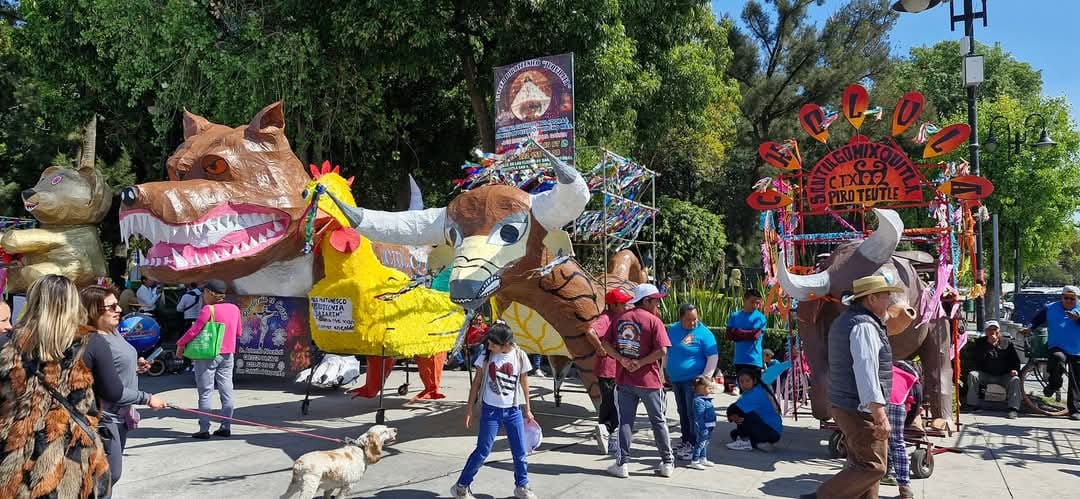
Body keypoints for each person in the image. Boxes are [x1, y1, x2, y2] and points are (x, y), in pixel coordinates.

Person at [0, 275, 111, 497]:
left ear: (33, 302)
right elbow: (113, 392)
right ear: (72, 304)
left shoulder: (7, 344)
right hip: (73, 455)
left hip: (16, 452)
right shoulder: (92, 343)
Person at [801, 275, 899, 499]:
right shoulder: (864, 326)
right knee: (873, 467)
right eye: (886, 296)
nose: (890, 301)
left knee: (863, 466)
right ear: (872, 299)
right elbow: (866, 372)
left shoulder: (846, 321)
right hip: (858, 409)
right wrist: (878, 412)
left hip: (846, 404)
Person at [80, 285, 167, 485]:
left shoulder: (112, 331)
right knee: (108, 475)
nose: (119, 309)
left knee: (107, 475)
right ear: (94, 310)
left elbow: (111, 370)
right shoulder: (95, 341)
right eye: (111, 307)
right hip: (105, 416)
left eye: (117, 305)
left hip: (121, 415)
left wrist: (135, 367)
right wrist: (147, 398)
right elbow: (110, 389)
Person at [451, 324, 537, 499]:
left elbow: (524, 383)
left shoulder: (520, 356)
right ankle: (461, 487)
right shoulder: (486, 356)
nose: (489, 347)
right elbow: (476, 383)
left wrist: (528, 408)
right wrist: (469, 409)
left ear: (505, 344)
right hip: (490, 411)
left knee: (520, 451)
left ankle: (522, 486)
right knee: (483, 450)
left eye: (493, 344)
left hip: (513, 410)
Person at [603, 283, 673, 479]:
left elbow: (605, 343)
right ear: (646, 300)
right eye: (656, 300)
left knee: (625, 421)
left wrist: (622, 359)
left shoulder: (620, 318)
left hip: (624, 379)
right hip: (649, 381)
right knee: (659, 421)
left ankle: (622, 464)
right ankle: (667, 463)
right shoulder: (654, 321)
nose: (658, 304)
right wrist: (641, 362)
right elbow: (662, 351)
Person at [176, 281, 242, 439]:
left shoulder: (208, 309)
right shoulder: (234, 309)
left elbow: (193, 331)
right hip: (228, 354)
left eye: (204, 293)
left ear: (211, 293)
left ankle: (204, 429)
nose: (203, 296)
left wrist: (180, 344)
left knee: (205, 392)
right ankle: (226, 427)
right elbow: (238, 332)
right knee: (227, 390)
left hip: (207, 355)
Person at [663, 303, 718, 462]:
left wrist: (704, 378)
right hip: (676, 379)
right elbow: (666, 351)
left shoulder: (704, 333)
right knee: (682, 411)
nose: (693, 322)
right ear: (680, 318)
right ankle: (686, 439)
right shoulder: (673, 329)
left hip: (693, 381)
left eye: (695, 319)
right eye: (689, 320)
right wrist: (664, 370)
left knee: (693, 412)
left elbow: (712, 357)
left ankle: (694, 444)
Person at [1022, 285, 1080, 420]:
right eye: (1066, 298)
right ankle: (1054, 384)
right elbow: (1036, 320)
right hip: (1057, 345)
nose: (1069, 301)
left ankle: (1075, 410)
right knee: (1057, 358)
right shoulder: (1050, 308)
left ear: (1077, 299)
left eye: (1072, 299)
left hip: (1077, 349)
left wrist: (1077, 319)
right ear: (1061, 297)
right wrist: (1029, 328)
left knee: (1076, 381)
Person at [592, 287, 633, 455]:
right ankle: (606, 430)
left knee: (613, 403)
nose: (626, 305)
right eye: (623, 303)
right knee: (612, 403)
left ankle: (607, 432)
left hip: (616, 368)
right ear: (614, 305)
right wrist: (600, 347)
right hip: (608, 369)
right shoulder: (605, 318)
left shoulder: (619, 317)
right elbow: (590, 331)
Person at [964, 320, 1022, 418]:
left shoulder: (1007, 343)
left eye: (995, 329)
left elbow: (1015, 361)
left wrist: (1014, 370)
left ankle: (1013, 409)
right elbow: (977, 359)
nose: (993, 332)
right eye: (990, 330)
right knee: (973, 375)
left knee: (1015, 380)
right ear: (986, 332)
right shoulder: (980, 343)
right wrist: (989, 345)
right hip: (986, 374)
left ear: (999, 331)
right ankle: (972, 405)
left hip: (1003, 375)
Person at [882, 361, 919, 499]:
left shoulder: (884, 367)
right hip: (897, 403)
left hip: (876, 402)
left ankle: (867, 481)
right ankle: (905, 487)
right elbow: (916, 403)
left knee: (874, 440)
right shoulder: (910, 377)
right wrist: (908, 423)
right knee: (897, 443)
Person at [726, 371, 782, 451]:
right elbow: (734, 408)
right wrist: (732, 416)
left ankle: (745, 441)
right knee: (734, 433)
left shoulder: (755, 393)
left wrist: (732, 416)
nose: (744, 384)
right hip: (773, 431)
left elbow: (733, 408)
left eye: (747, 381)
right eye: (741, 381)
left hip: (770, 431)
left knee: (742, 414)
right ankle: (757, 443)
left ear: (754, 381)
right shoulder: (757, 389)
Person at [726, 289, 767, 381]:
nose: (755, 305)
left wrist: (737, 332)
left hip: (754, 361)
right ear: (744, 300)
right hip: (739, 360)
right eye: (752, 302)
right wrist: (747, 333)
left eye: (757, 303)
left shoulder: (760, 317)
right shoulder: (735, 316)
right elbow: (729, 335)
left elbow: (754, 336)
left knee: (754, 391)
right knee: (743, 390)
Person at [688, 376, 717, 470]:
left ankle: (702, 458)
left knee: (705, 443)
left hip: (709, 424)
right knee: (700, 443)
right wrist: (702, 427)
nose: (711, 390)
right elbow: (699, 416)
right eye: (709, 388)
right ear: (701, 388)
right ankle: (695, 460)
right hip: (704, 426)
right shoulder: (698, 401)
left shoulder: (705, 399)